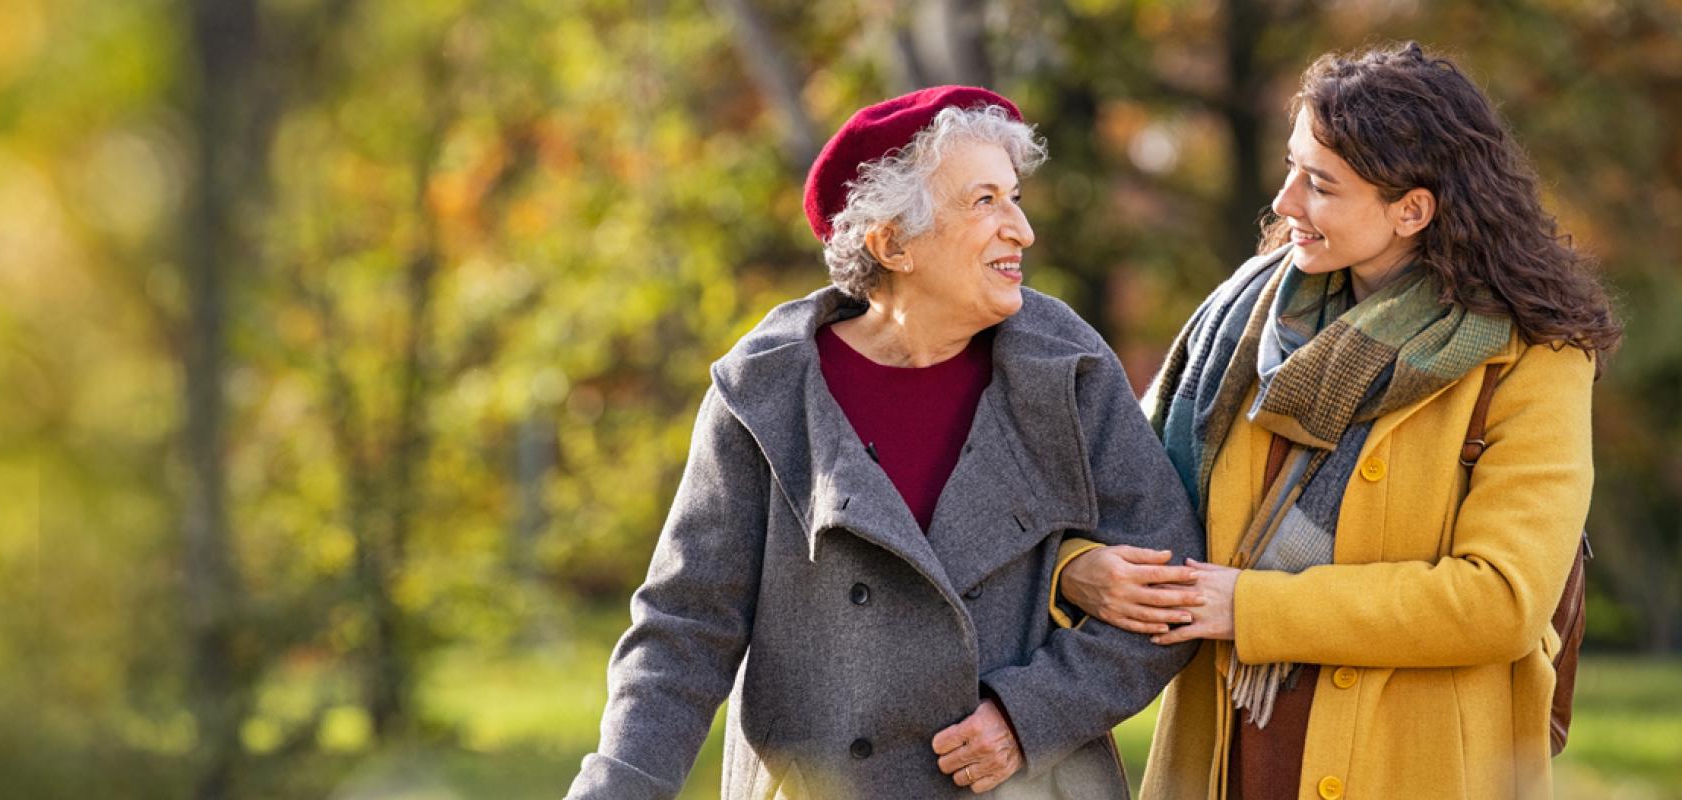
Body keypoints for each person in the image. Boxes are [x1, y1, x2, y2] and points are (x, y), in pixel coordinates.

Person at [564, 86, 1202, 800]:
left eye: (1015, 197)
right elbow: (684, 630)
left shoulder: (1065, 368)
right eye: (984, 202)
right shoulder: (766, 392)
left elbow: (1170, 585)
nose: (1020, 228)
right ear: (892, 242)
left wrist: (1031, 715)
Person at [1055, 42, 1621, 799]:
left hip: (1414, 767)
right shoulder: (1243, 326)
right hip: (1224, 756)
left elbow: (1501, 601)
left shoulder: (1533, 358)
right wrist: (1078, 569)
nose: (1285, 201)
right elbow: (1118, 499)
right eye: (1292, 168)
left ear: (1411, 209)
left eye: (1319, 184)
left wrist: (1252, 608)